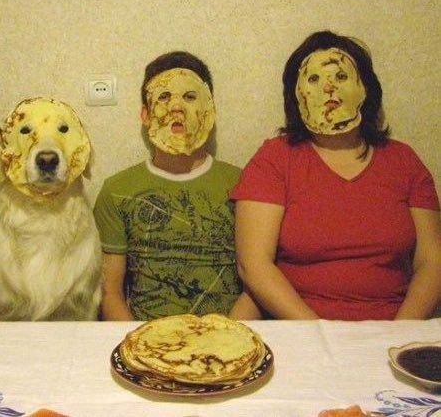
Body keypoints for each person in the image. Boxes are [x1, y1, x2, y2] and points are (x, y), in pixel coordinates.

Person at [231, 31, 441, 321]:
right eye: (314, 79)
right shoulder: (275, 159)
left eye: (341, 77)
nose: (329, 87)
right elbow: (254, 264)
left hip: (393, 325)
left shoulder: (404, 161)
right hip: (300, 325)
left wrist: (401, 332)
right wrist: (319, 331)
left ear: (364, 89)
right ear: (297, 95)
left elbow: (432, 261)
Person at [93, 51, 256, 321]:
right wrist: (137, 340)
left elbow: (256, 282)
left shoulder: (245, 184)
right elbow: (110, 292)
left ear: (208, 111)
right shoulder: (116, 190)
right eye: (164, 97)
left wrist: (229, 335)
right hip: (145, 334)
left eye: (190, 97)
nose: (176, 108)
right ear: (146, 115)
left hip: (228, 332)